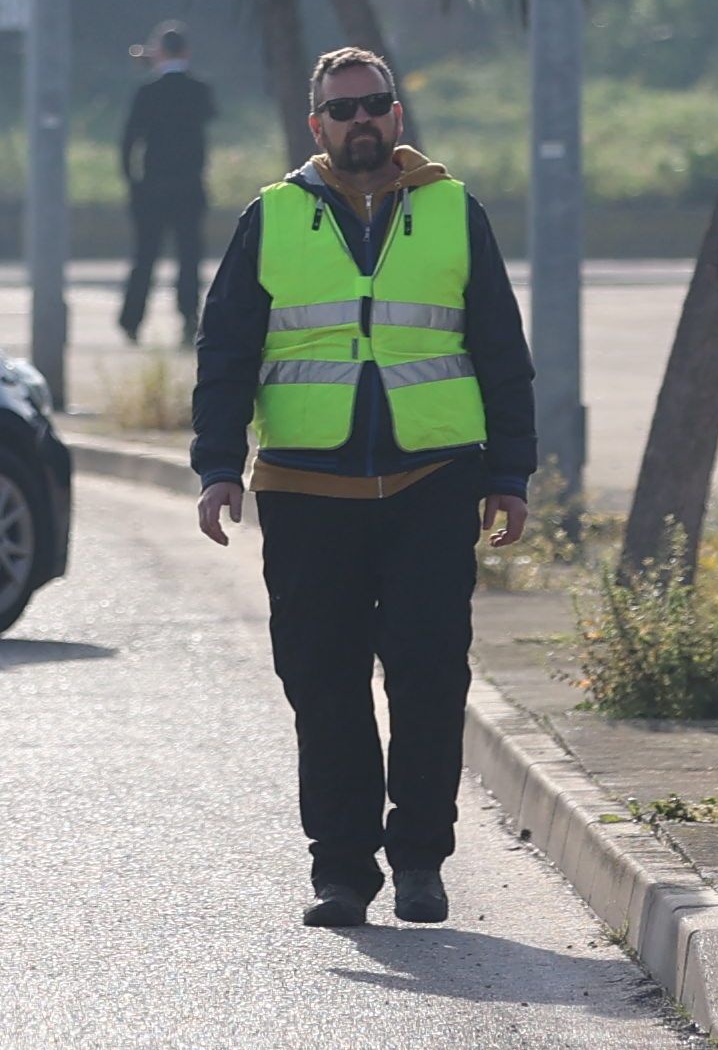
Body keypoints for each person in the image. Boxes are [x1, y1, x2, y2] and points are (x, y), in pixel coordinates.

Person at [191, 46, 535, 929]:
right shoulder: (271, 217)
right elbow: (226, 352)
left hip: (431, 480)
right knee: (324, 681)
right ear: (317, 126)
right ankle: (342, 870)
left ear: (397, 117)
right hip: (307, 487)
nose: (360, 120)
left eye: (375, 104)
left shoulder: (456, 211)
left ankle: (421, 859)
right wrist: (218, 467)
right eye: (342, 109)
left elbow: (501, 352)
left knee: (428, 677)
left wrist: (509, 475)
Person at [119, 21, 217, 344]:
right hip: (189, 185)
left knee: (144, 256)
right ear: (186, 52)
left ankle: (131, 321)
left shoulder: (147, 91)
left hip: (151, 187)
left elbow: (129, 141)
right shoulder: (199, 89)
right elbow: (209, 115)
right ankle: (189, 317)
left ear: (160, 52)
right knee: (189, 257)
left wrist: (132, 182)